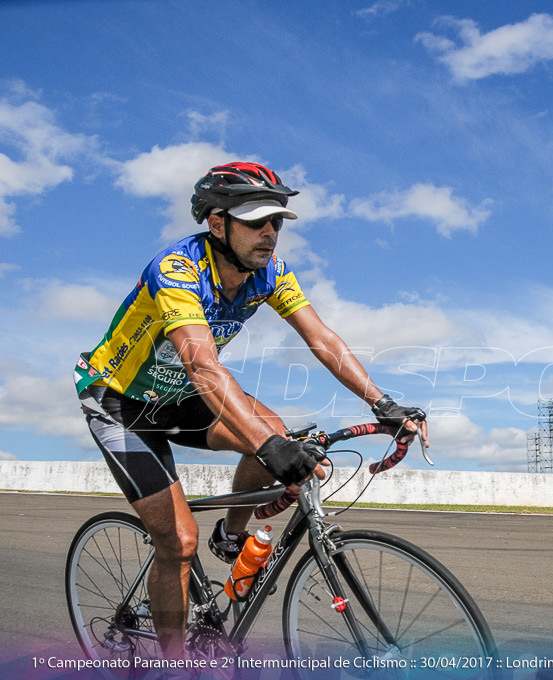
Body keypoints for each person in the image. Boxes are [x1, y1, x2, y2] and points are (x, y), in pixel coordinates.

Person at [73, 161, 427, 662]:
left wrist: (382, 402)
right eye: (255, 220)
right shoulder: (176, 270)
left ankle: (231, 536)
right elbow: (202, 365)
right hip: (121, 402)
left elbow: (321, 339)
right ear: (217, 223)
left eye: (276, 221)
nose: (269, 232)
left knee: (276, 432)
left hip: (177, 396)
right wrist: (267, 446)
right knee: (177, 540)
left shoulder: (269, 273)